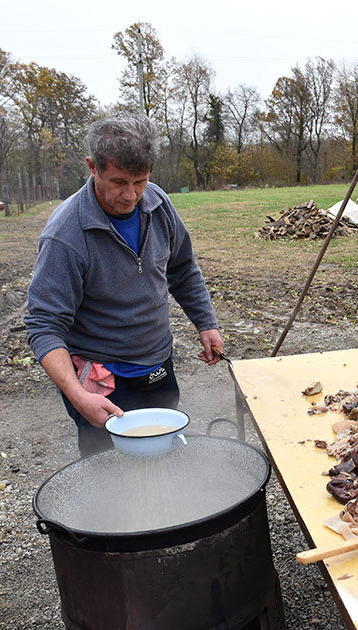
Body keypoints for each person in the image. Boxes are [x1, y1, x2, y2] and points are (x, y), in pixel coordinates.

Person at [24, 114, 223, 458]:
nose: (131, 195)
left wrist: (206, 322)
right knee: (108, 469)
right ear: (92, 167)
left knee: (163, 457)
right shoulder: (65, 235)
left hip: (158, 365)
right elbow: (43, 326)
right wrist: (78, 395)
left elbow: (183, 268)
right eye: (118, 182)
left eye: (140, 181)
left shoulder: (157, 204)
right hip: (102, 381)